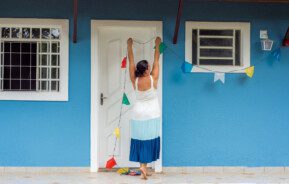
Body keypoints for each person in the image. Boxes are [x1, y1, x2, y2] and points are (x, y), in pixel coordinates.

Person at [127, 37, 161, 180]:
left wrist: (129, 46)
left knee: (140, 140)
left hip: (138, 114)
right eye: (148, 67)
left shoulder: (134, 79)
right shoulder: (153, 78)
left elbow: (131, 62)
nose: (150, 67)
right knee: (149, 140)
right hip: (152, 114)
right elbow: (157, 61)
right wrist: (157, 45)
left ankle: (143, 169)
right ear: (147, 70)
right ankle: (144, 167)